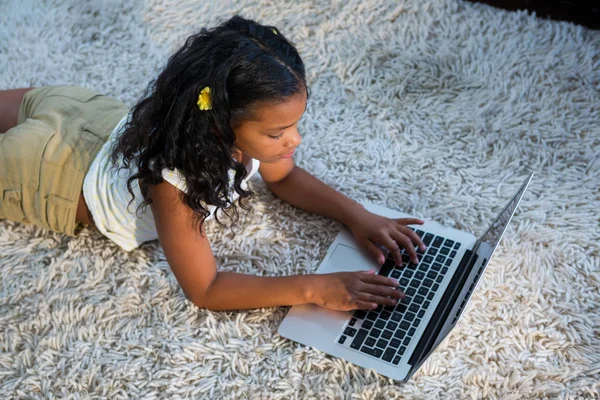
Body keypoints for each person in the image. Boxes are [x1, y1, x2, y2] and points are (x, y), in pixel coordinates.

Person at [0, 15, 426, 312]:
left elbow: (287, 177)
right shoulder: (175, 181)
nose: (294, 141)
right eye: (278, 133)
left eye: (295, 124)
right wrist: (316, 288)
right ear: (222, 123)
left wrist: (359, 216)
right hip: (47, 174)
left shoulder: (209, 127)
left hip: (83, 111)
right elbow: (206, 288)